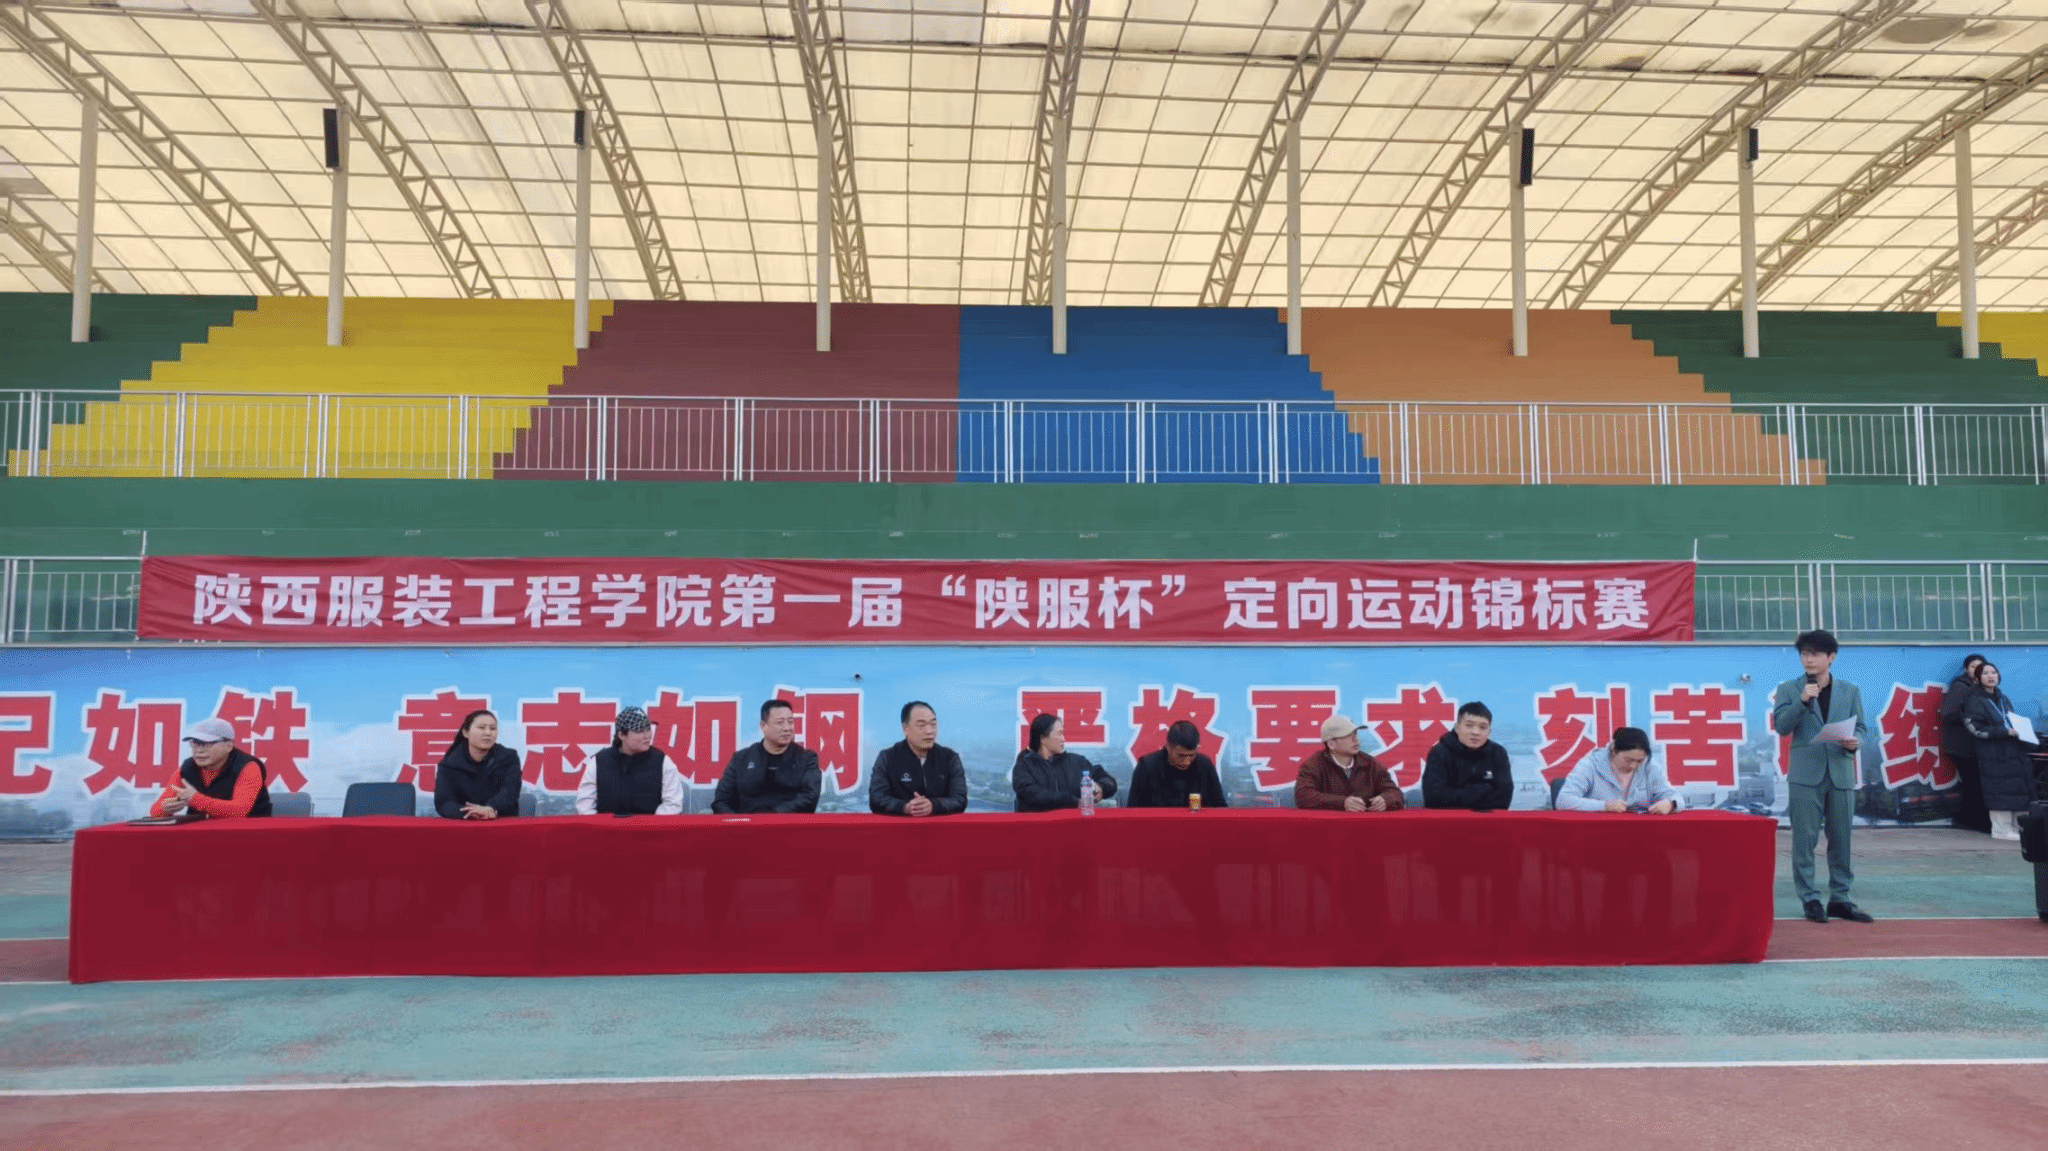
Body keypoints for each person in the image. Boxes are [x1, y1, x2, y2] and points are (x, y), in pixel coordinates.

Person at [1770, 629, 1872, 924]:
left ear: (1831, 657)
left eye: (1815, 654)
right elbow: (1782, 726)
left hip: (1840, 770)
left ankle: (1841, 898)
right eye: (1804, 654)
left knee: (1841, 838)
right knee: (1804, 840)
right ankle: (1810, 899)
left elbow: (1861, 728)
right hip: (1805, 774)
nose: (1808, 659)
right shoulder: (1789, 689)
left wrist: (1854, 742)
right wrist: (1802, 700)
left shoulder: (1849, 691)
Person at [1961, 661, 2037, 842]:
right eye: (1985, 673)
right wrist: (2004, 732)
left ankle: (2018, 827)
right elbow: (1974, 728)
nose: (1990, 676)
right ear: (1978, 678)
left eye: (1993, 672)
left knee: (2018, 788)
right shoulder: (1975, 699)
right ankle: (2001, 829)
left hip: (2013, 751)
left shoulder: (2004, 698)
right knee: (1999, 790)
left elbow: (2010, 719)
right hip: (1992, 754)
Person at [712, 699, 822, 814]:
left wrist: (772, 817)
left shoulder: (807, 759)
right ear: (763, 726)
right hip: (747, 823)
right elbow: (721, 801)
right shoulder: (741, 759)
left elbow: (810, 798)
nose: (787, 728)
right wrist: (740, 822)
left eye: (790, 722)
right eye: (780, 722)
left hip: (788, 824)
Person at [149, 716, 272, 819]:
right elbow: (155, 810)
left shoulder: (247, 767)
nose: (199, 750)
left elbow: (239, 811)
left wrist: (195, 799)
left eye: (207, 744)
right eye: (195, 744)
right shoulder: (187, 768)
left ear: (229, 746)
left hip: (247, 833)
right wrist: (165, 808)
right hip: (203, 833)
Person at [576, 706, 683, 815]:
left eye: (648, 729)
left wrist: (647, 824)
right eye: (640, 730)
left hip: (651, 825)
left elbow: (672, 804)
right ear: (621, 735)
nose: (647, 736)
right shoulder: (599, 762)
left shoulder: (662, 762)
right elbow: (585, 805)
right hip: (607, 825)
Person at [869, 700, 968, 816]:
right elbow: (876, 799)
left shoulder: (950, 758)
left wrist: (933, 805)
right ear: (905, 728)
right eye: (921, 725)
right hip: (902, 826)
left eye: (933, 725)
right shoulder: (888, 757)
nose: (929, 731)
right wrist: (905, 807)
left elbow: (960, 800)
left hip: (939, 826)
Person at [1555, 727, 1681, 813]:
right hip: (1597, 830)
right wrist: (1604, 806)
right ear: (1614, 749)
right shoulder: (1590, 765)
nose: (1634, 766)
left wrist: (1671, 804)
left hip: (1640, 832)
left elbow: (1676, 798)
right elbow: (1563, 801)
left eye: (1639, 761)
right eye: (1628, 760)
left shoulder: (1650, 766)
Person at [1294, 714, 1403, 812]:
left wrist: (1385, 800)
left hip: (1364, 824)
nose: (1355, 739)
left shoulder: (1370, 764)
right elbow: (1303, 796)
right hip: (1329, 825)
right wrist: (1342, 803)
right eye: (1348, 735)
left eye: (1355, 734)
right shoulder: (1314, 764)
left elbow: (1396, 793)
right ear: (1331, 744)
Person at [1012, 714, 1119, 812]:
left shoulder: (1077, 762)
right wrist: (1072, 802)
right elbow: (1032, 794)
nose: (1063, 739)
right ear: (1043, 738)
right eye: (1059, 734)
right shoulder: (1024, 766)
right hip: (1038, 826)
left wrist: (1101, 788)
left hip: (1074, 826)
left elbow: (1109, 781)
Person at [1421, 701, 1514, 811]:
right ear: (1457, 727)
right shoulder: (1439, 753)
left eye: (1482, 727)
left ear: (1489, 731)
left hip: (1486, 819)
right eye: (1469, 725)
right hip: (1449, 819)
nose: (1475, 732)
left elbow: (1504, 798)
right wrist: (1482, 790)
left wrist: (1460, 796)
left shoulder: (1498, 753)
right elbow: (1434, 799)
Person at [434, 709, 522, 820]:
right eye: (481, 728)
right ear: (465, 733)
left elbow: (510, 792)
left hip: (500, 821)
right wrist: (471, 813)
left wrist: (490, 808)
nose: (488, 733)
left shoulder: (509, 758)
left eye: (493, 728)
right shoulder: (449, 764)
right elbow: (444, 802)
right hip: (465, 824)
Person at [1940, 652, 1990, 833]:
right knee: (1973, 783)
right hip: (1961, 745)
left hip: (1975, 745)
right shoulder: (1961, 686)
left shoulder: (1982, 688)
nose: (1976, 670)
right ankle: (1976, 821)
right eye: (1972, 667)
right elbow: (1948, 713)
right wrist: (1972, 718)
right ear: (1966, 670)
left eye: (1980, 667)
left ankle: (1966, 819)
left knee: (1974, 784)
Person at [1126, 720, 1228, 809]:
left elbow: (1219, 807)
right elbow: (1133, 810)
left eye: (1191, 755)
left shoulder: (1205, 766)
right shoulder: (1147, 767)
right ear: (1168, 747)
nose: (1186, 761)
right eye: (1181, 755)